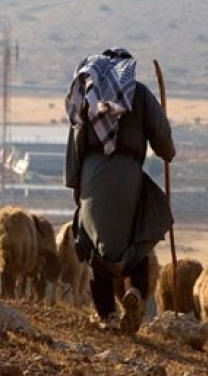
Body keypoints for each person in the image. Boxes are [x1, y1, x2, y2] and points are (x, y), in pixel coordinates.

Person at [64, 47, 175, 334]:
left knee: (93, 245)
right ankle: (135, 291)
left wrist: (75, 184)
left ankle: (107, 315)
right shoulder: (138, 94)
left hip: (92, 177)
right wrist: (168, 152)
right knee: (136, 241)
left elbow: (76, 141)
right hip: (129, 177)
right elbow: (161, 134)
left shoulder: (88, 95)